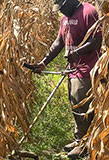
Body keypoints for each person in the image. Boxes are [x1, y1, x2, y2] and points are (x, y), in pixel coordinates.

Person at [32, 0, 102, 159]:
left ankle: (85, 145)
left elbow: (97, 39)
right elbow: (59, 43)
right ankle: (80, 139)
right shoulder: (65, 19)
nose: (61, 11)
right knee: (74, 104)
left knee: (82, 106)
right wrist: (44, 62)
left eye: (62, 7)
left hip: (88, 68)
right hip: (73, 69)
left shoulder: (88, 12)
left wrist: (77, 51)